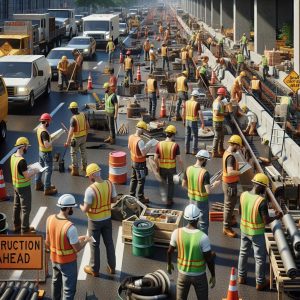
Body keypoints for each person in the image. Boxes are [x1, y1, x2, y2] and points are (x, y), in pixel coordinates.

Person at [238, 173, 283, 291]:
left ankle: (241, 277)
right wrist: (277, 216)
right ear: (261, 186)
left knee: (243, 253)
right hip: (256, 233)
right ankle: (260, 282)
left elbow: (240, 213)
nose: (265, 190)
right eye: (265, 187)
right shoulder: (261, 201)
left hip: (244, 229)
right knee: (259, 258)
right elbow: (266, 220)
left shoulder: (243, 195)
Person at [46, 194, 90, 300]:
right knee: (68, 290)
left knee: (55, 283)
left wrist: (76, 238)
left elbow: (48, 241)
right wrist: (86, 240)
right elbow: (77, 248)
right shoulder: (70, 227)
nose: (72, 210)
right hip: (68, 263)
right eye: (72, 208)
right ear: (68, 208)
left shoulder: (50, 219)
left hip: (54, 260)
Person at [167, 204, 216, 300]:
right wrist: (213, 275)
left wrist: (169, 263)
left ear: (185, 218)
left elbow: (169, 251)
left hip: (182, 274)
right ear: (198, 218)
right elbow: (209, 259)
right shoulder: (203, 237)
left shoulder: (177, 233)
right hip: (199, 275)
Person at [80, 163, 117, 277]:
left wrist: (81, 207)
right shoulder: (110, 184)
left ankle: (94, 269)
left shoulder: (90, 190)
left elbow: (86, 208)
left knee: (94, 245)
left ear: (91, 176)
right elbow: (114, 200)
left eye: (88, 176)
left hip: (94, 222)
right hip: (107, 219)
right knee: (109, 243)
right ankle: (112, 267)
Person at [182, 150, 220, 234]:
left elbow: (183, 184)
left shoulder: (188, 169)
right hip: (202, 201)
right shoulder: (204, 173)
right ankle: (203, 242)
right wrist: (215, 185)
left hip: (191, 199)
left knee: (192, 220)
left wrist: (192, 189)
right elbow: (208, 191)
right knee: (203, 223)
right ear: (204, 160)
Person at [11, 137, 39, 234]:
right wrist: (35, 171)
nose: (27, 148)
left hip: (15, 186)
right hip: (23, 187)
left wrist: (27, 168)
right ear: (23, 146)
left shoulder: (13, 157)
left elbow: (19, 170)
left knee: (16, 206)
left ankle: (16, 225)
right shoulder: (22, 161)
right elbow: (26, 176)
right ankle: (25, 229)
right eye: (27, 146)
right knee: (26, 209)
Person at [155, 125, 183, 207]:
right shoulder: (175, 145)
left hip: (162, 168)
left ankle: (163, 198)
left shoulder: (159, 144)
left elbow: (155, 158)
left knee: (163, 182)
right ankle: (169, 200)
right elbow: (180, 160)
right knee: (171, 184)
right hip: (171, 168)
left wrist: (157, 167)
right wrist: (182, 170)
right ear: (173, 134)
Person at [222, 135, 243, 238]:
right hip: (230, 184)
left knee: (231, 203)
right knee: (229, 206)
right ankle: (226, 227)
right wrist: (240, 171)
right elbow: (230, 172)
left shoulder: (227, 153)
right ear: (234, 144)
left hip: (228, 183)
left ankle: (229, 219)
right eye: (238, 146)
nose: (239, 148)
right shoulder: (230, 157)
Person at [128, 121, 153, 203]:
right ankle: (141, 197)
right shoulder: (140, 141)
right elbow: (143, 153)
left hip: (133, 162)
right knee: (141, 181)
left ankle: (131, 195)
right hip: (140, 164)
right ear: (141, 129)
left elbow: (129, 147)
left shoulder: (131, 137)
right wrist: (149, 146)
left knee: (133, 179)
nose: (144, 132)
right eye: (144, 130)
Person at [65, 102, 89, 176]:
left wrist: (67, 142)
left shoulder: (73, 119)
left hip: (76, 139)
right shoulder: (83, 115)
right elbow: (88, 126)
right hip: (84, 137)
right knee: (83, 151)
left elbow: (71, 132)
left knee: (73, 153)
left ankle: (75, 170)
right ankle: (85, 166)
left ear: (72, 110)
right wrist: (86, 134)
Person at [35, 113, 57, 196]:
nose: (49, 123)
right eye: (49, 121)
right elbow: (46, 145)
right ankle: (47, 188)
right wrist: (52, 140)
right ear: (46, 122)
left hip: (41, 151)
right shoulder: (44, 132)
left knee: (40, 167)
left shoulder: (39, 128)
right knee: (48, 170)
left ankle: (38, 184)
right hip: (46, 153)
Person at [183, 90, 205, 155]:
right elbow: (200, 113)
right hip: (193, 121)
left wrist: (183, 120)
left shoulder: (186, 102)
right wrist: (203, 123)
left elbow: (183, 112)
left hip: (187, 120)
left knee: (187, 135)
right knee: (195, 136)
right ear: (196, 96)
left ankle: (186, 150)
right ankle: (194, 151)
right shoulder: (196, 104)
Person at [212, 87, 226, 158]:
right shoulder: (217, 102)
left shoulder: (220, 101)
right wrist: (224, 114)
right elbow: (217, 113)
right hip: (217, 122)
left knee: (221, 136)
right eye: (224, 95)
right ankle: (214, 152)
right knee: (217, 137)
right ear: (222, 95)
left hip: (220, 121)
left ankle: (221, 149)